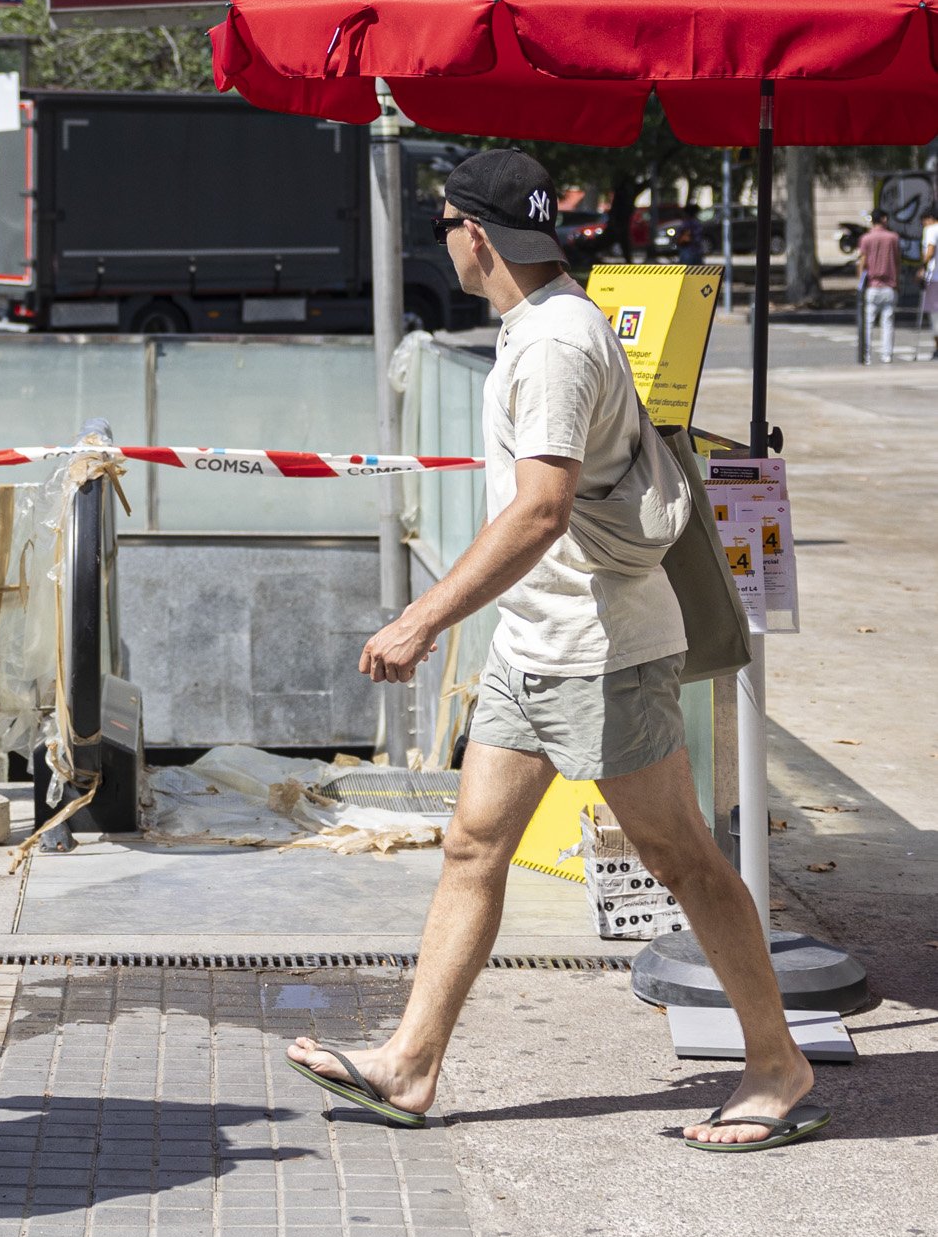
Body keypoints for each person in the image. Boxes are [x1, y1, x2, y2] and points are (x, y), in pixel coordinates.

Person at [287, 150, 828, 1153]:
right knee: (470, 843)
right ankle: (409, 1062)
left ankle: (775, 1059)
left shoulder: (554, 346)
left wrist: (422, 618)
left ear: (475, 234)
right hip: (534, 642)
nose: (441, 234)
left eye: (444, 219)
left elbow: (540, 507)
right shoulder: (535, 329)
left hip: (599, 650)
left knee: (680, 858)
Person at [856, 209, 900, 364]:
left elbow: (862, 261)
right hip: (889, 285)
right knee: (888, 322)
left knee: (868, 322)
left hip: (872, 285)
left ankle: (866, 355)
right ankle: (887, 355)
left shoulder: (866, 239)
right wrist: (897, 283)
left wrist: (860, 282)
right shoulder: (893, 238)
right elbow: (897, 261)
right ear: (884, 219)